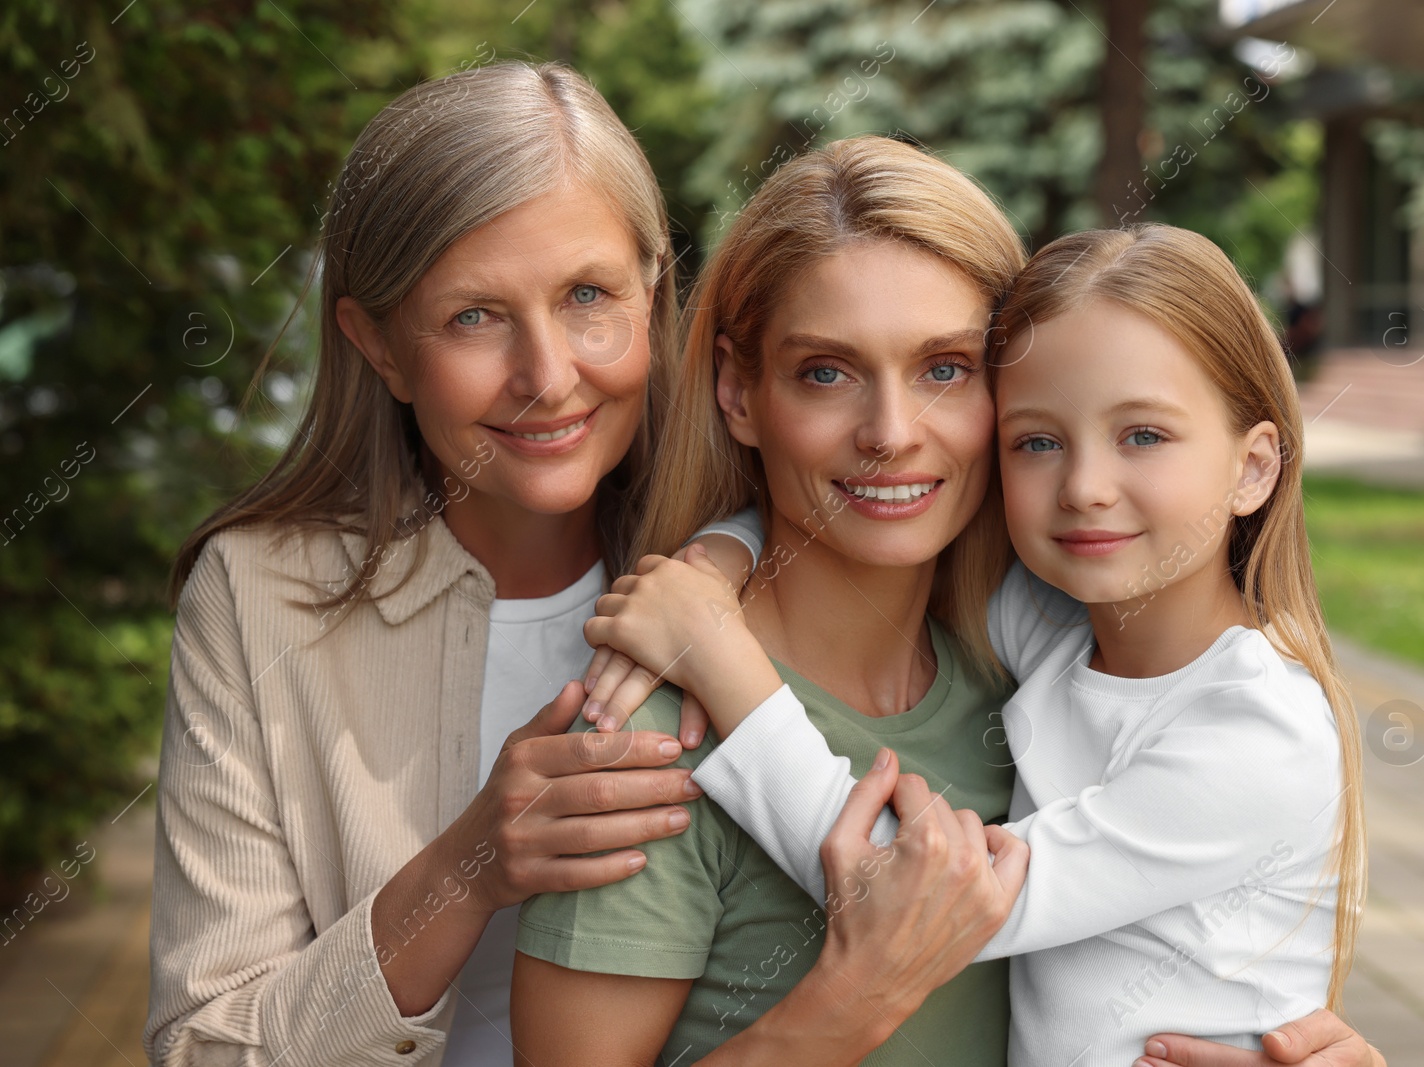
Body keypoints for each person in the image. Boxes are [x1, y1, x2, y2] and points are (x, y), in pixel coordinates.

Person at [145, 63, 1007, 1067]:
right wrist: (469, 866)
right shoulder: (263, 600)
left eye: (587, 296)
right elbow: (203, 1049)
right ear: (377, 344)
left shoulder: (773, 567)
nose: (549, 377)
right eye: (474, 315)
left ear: (652, 292)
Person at [513, 136, 1383, 1067]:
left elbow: (936, 899)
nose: (891, 433)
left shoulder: (1010, 654)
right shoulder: (660, 729)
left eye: (945, 369)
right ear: (737, 389)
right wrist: (716, 563)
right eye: (825, 372)